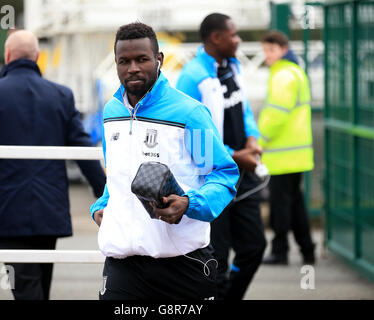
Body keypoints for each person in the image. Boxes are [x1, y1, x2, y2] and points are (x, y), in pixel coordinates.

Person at [89, 22, 240, 300]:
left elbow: (222, 175)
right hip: (123, 266)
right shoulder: (112, 113)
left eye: (141, 59)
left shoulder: (188, 113)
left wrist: (189, 204)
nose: (132, 67)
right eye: (124, 61)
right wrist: (101, 206)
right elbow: (117, 177)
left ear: (159, 59)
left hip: (183, 265)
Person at [0, 30, 106, 300]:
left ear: (7, 56)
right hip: (49, 207)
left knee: (24, 286)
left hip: (7, 208)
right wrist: (105, 192)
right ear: (37, 57)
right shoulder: (61, 95)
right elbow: (82, 148)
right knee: (40, 281)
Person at [176, 13, 266, 300]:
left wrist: (252, 139)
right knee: (218, 259)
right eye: (234, 34)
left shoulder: (232, 66)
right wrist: (235, 157)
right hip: (214, 178)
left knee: (254, 247)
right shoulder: (192, 77)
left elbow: (244, 109)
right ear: (216, 38)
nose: (238, 40)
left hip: (244, 171)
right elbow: (193, 137)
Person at [258, 30, 316, 265]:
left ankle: (281, 251)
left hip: (283, 155)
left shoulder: (283, 76)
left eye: (271, 50)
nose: (267, 56)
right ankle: (307, 250)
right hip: (295, 153)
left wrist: (258, 141)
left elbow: (275, 115)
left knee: (281, 207)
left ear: (283, 49)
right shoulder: (295, 72)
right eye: (265, 51)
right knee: (296, 205)